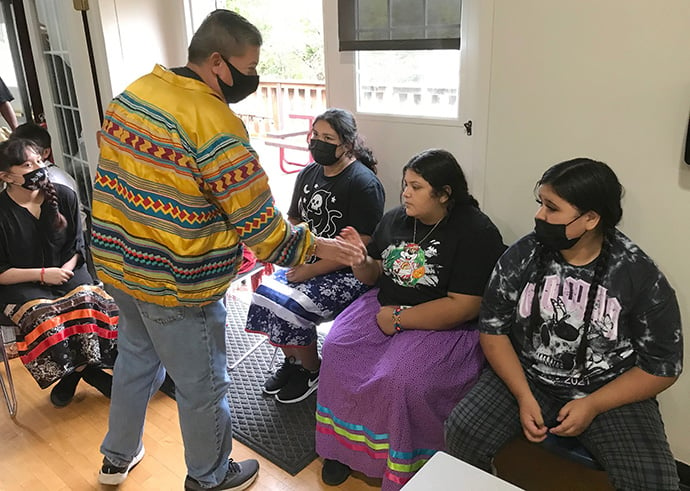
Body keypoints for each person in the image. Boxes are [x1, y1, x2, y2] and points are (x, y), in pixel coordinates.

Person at [90, 10, 364, 491]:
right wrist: (331, 252)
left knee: (136, 355)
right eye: (250, 65)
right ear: (218, 62)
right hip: (175, 282)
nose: (253, 77)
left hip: (116, 259)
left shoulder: (138, 91)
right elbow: (266, 233)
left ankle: (117, 457)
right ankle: (210, 476)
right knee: (205, 385)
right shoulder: (215, 124)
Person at [444, 158, 683, 490]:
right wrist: (523, 395)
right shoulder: (523, 255)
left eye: (552, 208)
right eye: (540, 203)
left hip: (607, 390)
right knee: (462, 432)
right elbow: (493, 331)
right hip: (529, 377)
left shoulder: (637, 273)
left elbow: (663, 366)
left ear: (590, 219)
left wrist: (593, 403)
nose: (539, 216)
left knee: (654, 482)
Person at [315, 149, 506, 490]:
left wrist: (401, 318)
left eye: (416, 187)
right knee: (337, 347)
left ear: (444, 194)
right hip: (387, 305)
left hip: (442, 321)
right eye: (405, 184)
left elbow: (465, 305)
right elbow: (375, 273)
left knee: (399, 378)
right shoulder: (395, 220)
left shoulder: (475, 231)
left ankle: (402, 462)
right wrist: (360, 262)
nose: (405, 193)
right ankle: (342, 449)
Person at [245, 108, 385, 404]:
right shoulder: (309, 173)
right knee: (264, 294)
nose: (318, 142)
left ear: (346, 144)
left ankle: (311, 369)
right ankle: (293, 362)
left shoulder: (363, 183)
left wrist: (310, 271)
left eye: (328, 138)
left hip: (349, 271)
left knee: (293, 306)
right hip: (307, 262)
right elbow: (294, 219)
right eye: (316, 135)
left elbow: (358, 248)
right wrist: (294, 257)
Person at [0, 138, 117, 407]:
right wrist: (42, 274)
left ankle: (73, 375)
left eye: (40, 161)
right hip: (21, 281)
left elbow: (77, 245)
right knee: (42, 314)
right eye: (28, 165)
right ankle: (88, 372)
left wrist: (63, 269)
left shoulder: (64, 195)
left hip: (67, 269)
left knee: (88, 301)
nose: (38, 168)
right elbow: (1, 271)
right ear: (6, 176)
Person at [12, 122, 79, 191]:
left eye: (25, 153)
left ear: (46, 152)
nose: (18, 156)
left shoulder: (54, 181)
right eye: (13, 151)